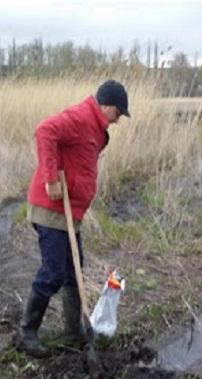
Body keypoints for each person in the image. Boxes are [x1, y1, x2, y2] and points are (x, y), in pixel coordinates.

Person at [20, 80, 130, 357]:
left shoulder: (95, 127)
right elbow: (45, 131)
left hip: (69, 215)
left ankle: (74, 331)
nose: (118, 120)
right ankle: (27, 333)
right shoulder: (80, 117)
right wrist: (50, 178)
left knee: (73, 271)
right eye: (118, 113)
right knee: (54, 272)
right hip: (51, 210)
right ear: (107, 106)